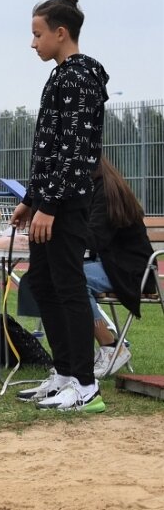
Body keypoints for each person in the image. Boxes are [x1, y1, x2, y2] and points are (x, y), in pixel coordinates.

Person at [11, 0, 109, 412]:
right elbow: (47, 148)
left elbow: (76, 151)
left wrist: (49, 205)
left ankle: (86, 385)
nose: (33, 43)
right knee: (43, 283)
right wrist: (30, 200)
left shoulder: (80, 79)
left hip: (66, 205)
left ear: (61, 33)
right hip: (47, 201)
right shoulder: (59, 76)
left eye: (37, 34)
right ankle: (65, 373)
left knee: (68, 286)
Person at [85, 156, 155, 378]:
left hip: (133, 272)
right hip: (116, 264)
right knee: (53, 275)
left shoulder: (104, 193)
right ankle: (74, 356)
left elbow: (94, 239)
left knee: (71, 277)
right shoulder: (103, 187)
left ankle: (111, 346)